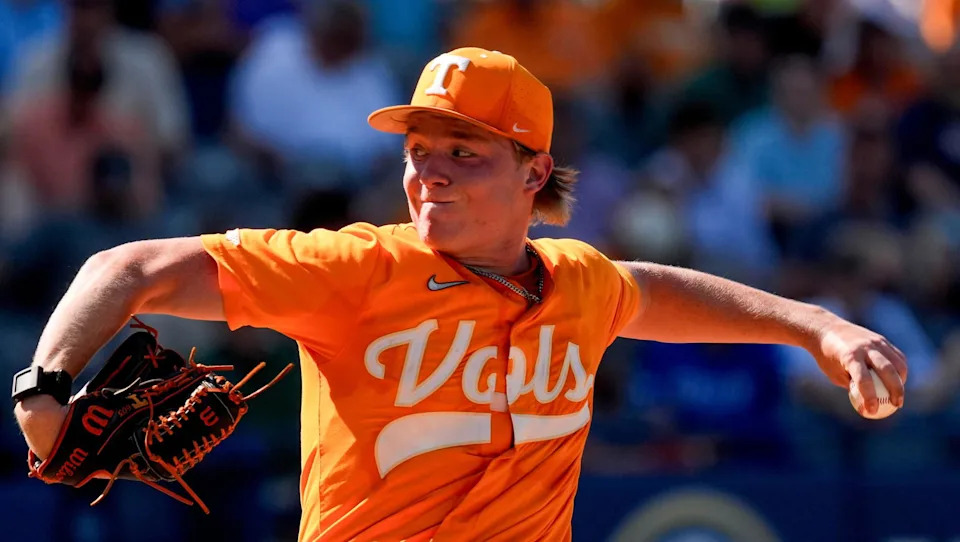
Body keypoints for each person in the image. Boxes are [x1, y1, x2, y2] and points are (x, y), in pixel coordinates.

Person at [14, 47, 909, 541]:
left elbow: (654, 292)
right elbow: (128, 269)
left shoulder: (577, 283)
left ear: (536, 173)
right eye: (417, 152)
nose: (427, 175)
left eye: (463, 155)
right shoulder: (354, 271)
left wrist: (816, 327)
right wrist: (45, 388)